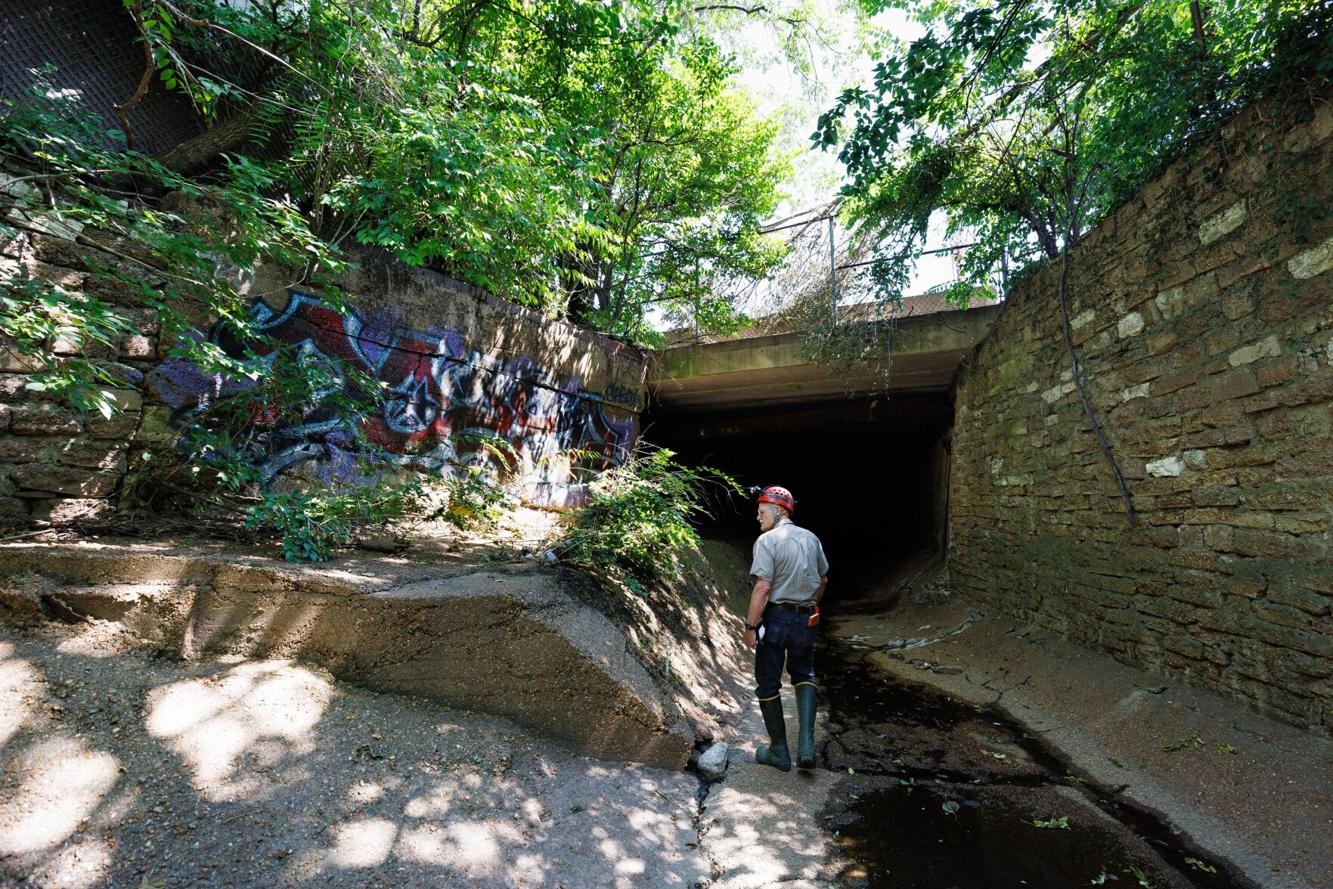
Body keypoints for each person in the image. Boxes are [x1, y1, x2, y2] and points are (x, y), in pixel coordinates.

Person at [743, 485, 828, 772]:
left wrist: (750, 626)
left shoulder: (768, 541)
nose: (758, 517)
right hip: (806, 619)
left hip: (777, 618)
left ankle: (779, 751)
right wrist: (810, 608)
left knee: (768, 681)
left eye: (762, 511)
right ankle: (806, 745)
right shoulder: (811, 538)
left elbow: (763, 587)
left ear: (779, 511)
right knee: (804, 673)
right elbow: (823, 580)